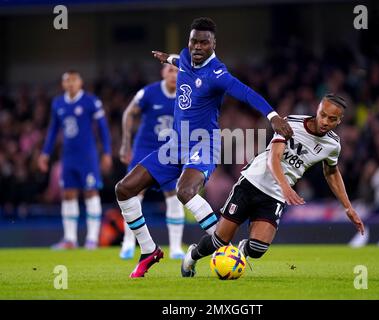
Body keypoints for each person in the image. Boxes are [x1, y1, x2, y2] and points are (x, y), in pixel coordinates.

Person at [114, 17, 293, 278]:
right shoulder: (186, 57)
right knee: (124, 189)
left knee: (184, 191)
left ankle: (226, 248)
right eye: (193, 41)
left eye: (203, 42)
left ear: (213, 44)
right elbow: (181, 61)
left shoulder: (218, 74)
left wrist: (273, 116)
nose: (197, 46)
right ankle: (149, 251)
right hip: (175, 145)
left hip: (203, 143)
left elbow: (246, 93)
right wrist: (168, 58)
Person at [181, 94, 365, 277]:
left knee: (258, 248)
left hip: (275, 196)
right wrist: (286, 187)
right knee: (220, 241)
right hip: (252, 182)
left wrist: (348, 207)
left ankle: (243, 250)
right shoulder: (290, 124)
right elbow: (273, 159)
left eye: (332, 119)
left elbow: (331, 172)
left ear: (339, 121)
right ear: (317, 109)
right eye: (322, 114)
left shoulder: (332, 145)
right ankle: (192, 255)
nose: (325, 121)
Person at [119, 59, 186, 260]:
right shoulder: (148, 92)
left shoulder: (187, 94)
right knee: (133, 193)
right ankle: (129, 243)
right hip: (145, 148)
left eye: (177, 71)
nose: (174, 74)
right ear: (163, 72)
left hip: (170, 151)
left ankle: (175, 247)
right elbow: (128, 113)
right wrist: (125, 142)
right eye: (170, 69)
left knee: (174, 196)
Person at [38, 70, 112, 250]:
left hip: (87, 156)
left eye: (73, 80)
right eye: (67, 81)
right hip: (68, 156)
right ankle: (70, 239)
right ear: (63, 84)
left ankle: (92, 239)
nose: (70, 84)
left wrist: (107, 153)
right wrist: (45, 153)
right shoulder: (58, 103)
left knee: (91, 192)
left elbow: (103, 128)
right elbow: (53, 130)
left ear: (80, 83)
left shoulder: (90, 101)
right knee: (68, 194)